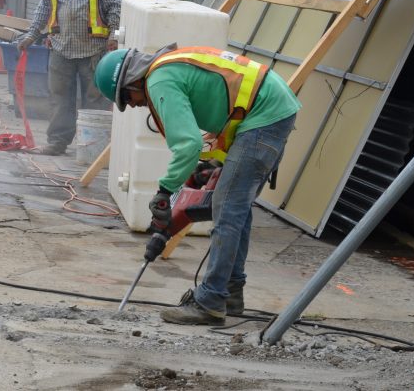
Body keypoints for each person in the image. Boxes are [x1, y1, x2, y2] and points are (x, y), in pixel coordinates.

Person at [94, 45, 301, 325]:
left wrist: (165, 191)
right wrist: (213, 164)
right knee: (236, 209)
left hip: (264, 115)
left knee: (228, 210)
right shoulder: (169, 65)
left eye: (127, 99)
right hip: (271, 108)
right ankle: (230, 293)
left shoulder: (159, 80)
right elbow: (219, 108)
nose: (132, 105)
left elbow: (188, 145)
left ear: (131, 82)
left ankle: (210, 302)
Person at [16, 0, 121, 156]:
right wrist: (31, 35)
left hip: (94, 50)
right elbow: (44, 8)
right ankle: (57, 142)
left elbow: (115, 7)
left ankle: (94, 147)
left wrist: (114, 36)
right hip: (61, 48)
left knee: (95, 100)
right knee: (59, 98)